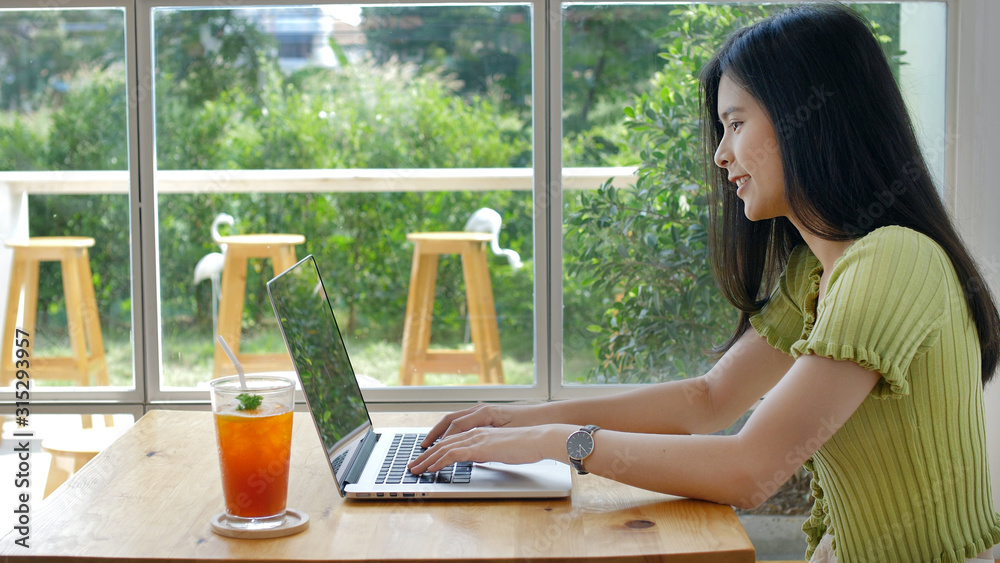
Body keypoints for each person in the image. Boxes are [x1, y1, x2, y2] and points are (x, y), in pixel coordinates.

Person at [409, 4, 1000, 561]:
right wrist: (518, 419)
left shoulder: (892, 262)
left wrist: (564, 443)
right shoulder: (818, 270)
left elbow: (751, 471)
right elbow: (710, 399)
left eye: (735, 123)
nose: (720, 155)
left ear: (810, 122)